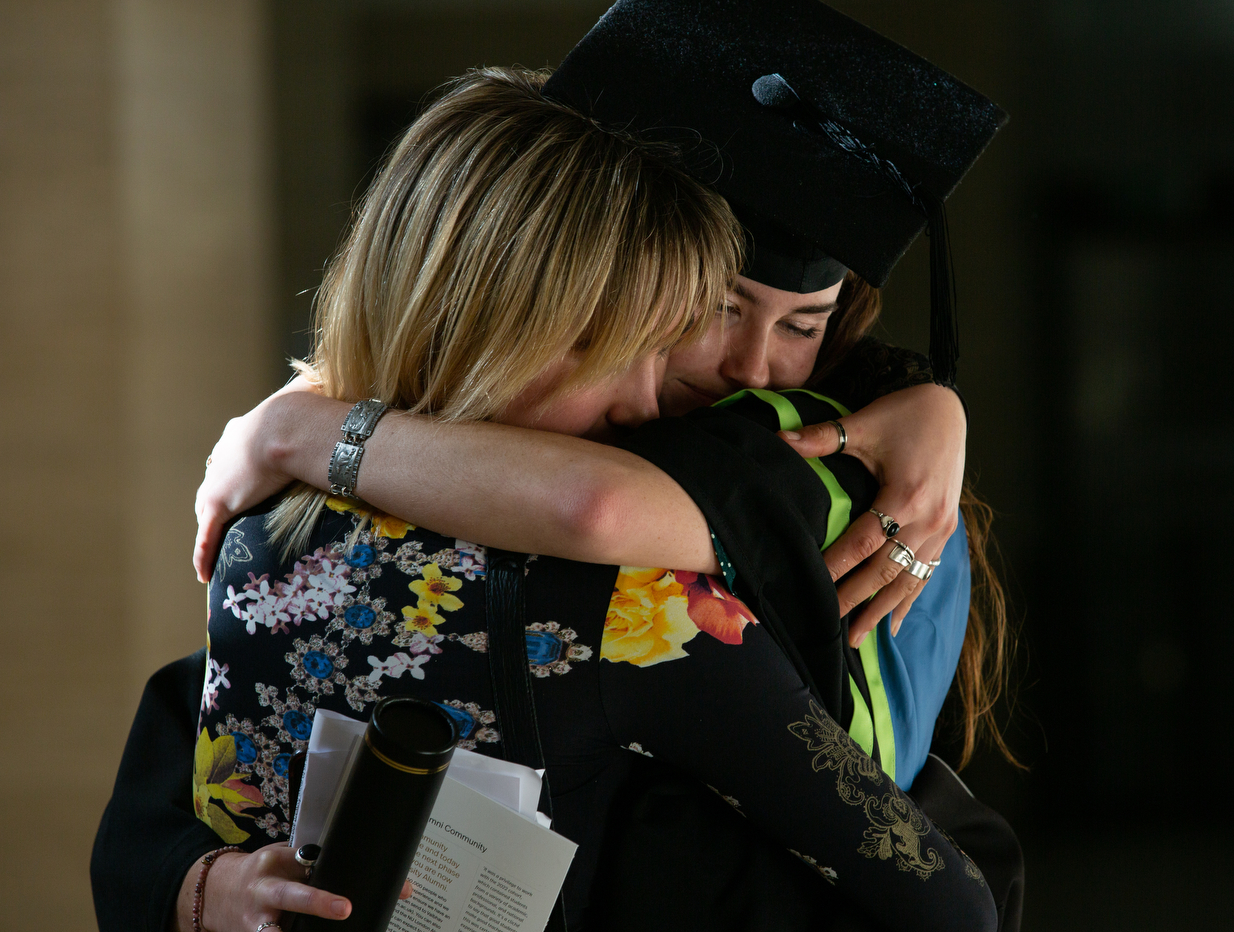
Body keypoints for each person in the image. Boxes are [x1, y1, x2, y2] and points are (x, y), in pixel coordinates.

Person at [93, 65, 996, 932]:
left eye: (805, 325)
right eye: (706, 315)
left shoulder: (272, 516)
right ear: (506, 315)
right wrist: (201, 884)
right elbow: (949, 901)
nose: (747, 371)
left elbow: (590, 509)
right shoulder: (633, 603)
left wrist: (292, 433)